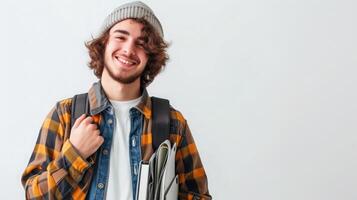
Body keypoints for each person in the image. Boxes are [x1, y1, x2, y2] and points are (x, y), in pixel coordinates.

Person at [21, 1, 211, 199]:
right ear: (104, 43)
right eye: (121, 37)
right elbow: (33, 195)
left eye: (142, 43)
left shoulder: (172, 123)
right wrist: (75, 153)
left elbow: (199, 195)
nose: (129, 50)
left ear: (151, 56)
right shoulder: (66, 114)